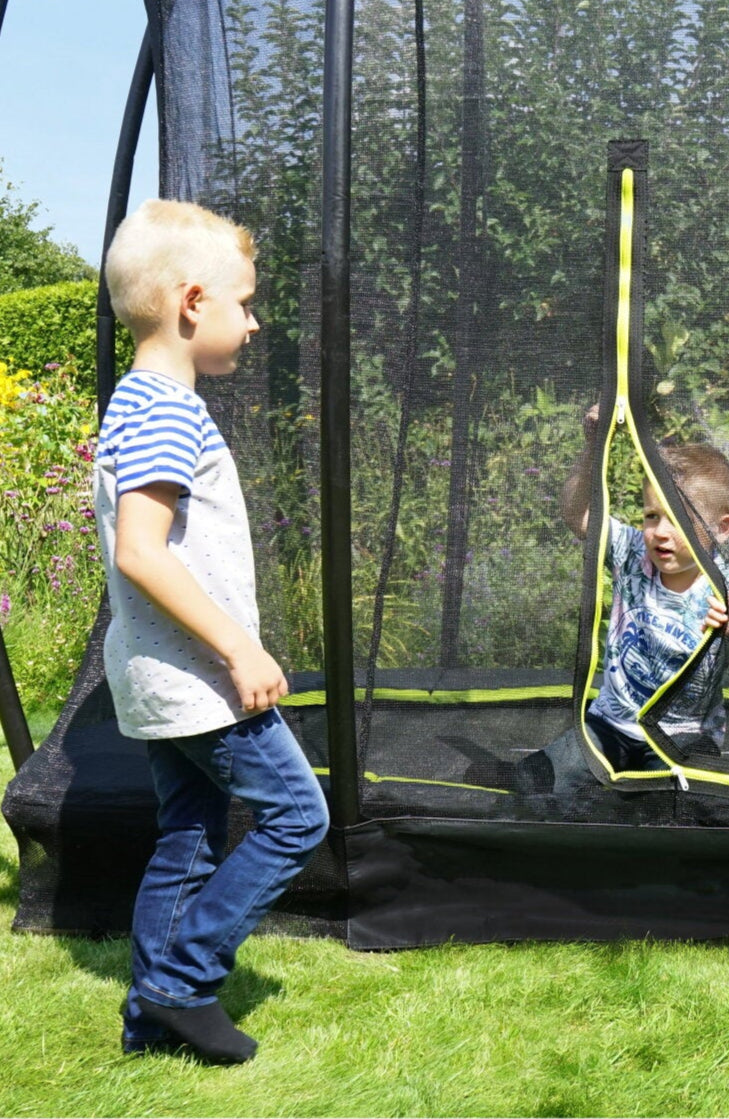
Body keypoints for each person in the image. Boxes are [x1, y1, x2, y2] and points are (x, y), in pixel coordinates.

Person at [94, 199, 329, 1064]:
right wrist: (239, 644)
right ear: (193, 302)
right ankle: (182, 982)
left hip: (155, 673)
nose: (255, 322)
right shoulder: (167, 411)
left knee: (189, 835)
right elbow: (142, 553)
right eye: (244, 302)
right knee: (298, 816)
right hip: (199, 677)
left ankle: (149, 1023)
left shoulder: (136, 400)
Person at [506, 403, 729, 803]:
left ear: (722, 529)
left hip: (682, 738)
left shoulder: (725, 580)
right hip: (610, 727)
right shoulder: (631, 554)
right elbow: (578, 514)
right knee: (531, 781)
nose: (659, 532)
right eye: (652, 515)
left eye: (677, 520)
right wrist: (593, 446)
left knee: (678, 807)